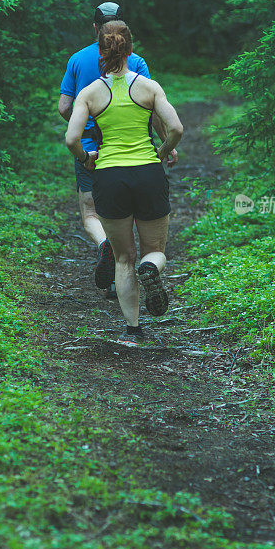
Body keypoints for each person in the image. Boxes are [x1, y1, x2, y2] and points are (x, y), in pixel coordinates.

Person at [65, 20, 183, 341]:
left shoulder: (90, 94)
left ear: (100, 50)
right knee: (154, 250)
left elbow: (72, 137)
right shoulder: (149, 87)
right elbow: (176, 129)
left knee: (123, 257)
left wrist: (86, 158)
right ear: (130, 49)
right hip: (147, 173)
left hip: (109, 177)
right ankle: (151, 270)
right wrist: (162, 151)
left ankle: (133, 327)